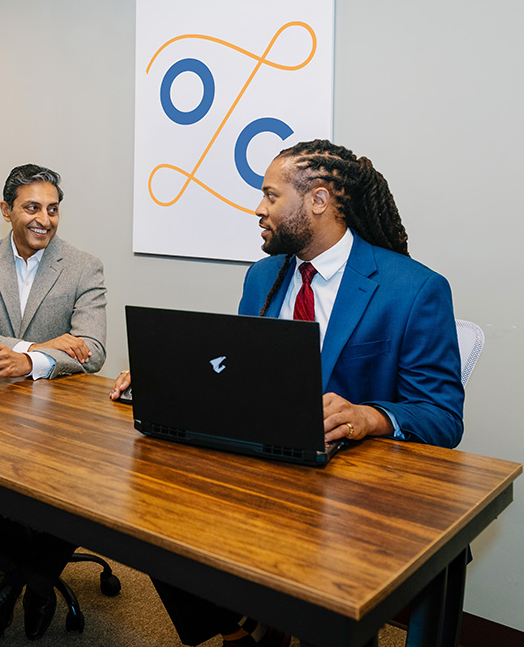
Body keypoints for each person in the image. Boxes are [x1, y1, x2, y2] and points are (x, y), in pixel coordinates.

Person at [111, 139, 464, 646]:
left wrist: (370, 417)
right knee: (155, 510)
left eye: (271, 195)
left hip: (348, 495)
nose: (259, 208)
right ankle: (238, 630)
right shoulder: (263, 276)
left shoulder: (413, 289)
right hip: (266, 469)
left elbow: (443, 417)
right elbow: (233, 372)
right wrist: (167, 378)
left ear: (317, 201)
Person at [0, 163, 107, 647]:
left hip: (63, 420)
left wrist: (24, 361)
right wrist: (39, 347)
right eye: (32, 208)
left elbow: (92, 350)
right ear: (6, 210)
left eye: (53, 210)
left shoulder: (83, 266)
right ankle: (28, 575)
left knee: (73, 492)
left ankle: (15, 579)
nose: (44, 220)